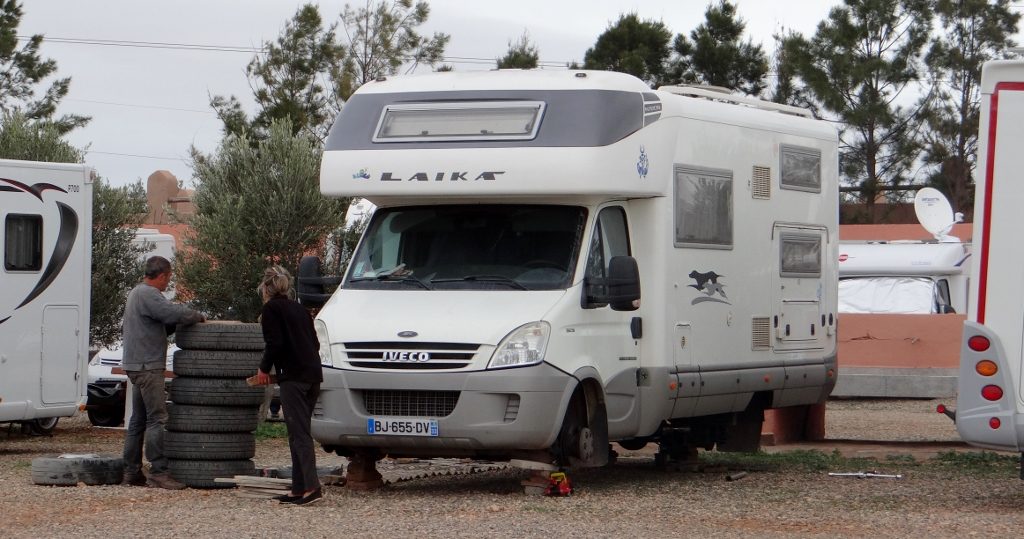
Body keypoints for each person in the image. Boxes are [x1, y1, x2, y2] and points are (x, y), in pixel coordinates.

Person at [121, 255, 205, 489]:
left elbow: (159, 322)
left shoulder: (136, 293)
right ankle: (158, 472)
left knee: (138, 420)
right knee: (157, 419)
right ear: (161, 276)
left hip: (136, 365)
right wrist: (196, 316)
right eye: (168, 278)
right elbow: (173, 313)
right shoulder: (149, 294)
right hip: (149, 367)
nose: (168, 283)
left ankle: (131, 472)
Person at [252, 265, 324, 506]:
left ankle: (312, 487)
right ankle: (298, 488)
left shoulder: (271, 309)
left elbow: (275, 343)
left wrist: (264, 368)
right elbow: (315, 343)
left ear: (266, 288)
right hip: (313, 376)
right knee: (297, 432)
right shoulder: (300, 309)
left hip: (294, 378)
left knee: (300, 434)